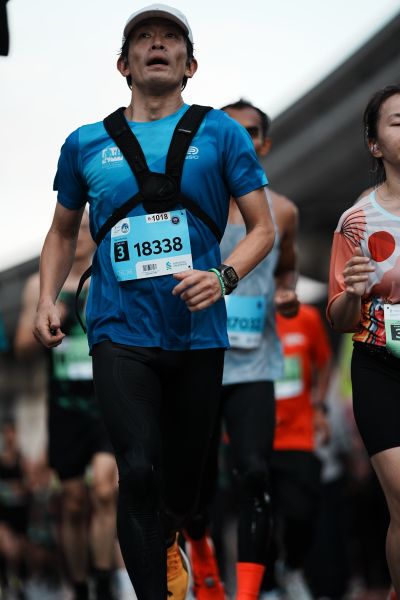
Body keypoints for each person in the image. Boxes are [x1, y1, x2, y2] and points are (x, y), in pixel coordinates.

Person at [32, 6, 275, 600]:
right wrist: (45, 300)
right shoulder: (85, 143)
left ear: (191, 66)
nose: (157, 44)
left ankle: (169, 534)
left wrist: (223, 277)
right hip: (118, 330)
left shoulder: (221, 132)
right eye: (144, 38)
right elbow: (61, 233)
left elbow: (263, 228)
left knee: (183, 490)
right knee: (136, 469)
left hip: (197, 333)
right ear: (124, 64)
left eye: (170, 38)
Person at [184, 99, 299, 600]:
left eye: (251, 131)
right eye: (230, 129)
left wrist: (287, 293)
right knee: (197, 485)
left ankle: (248, 594)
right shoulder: (189, 206)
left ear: (264, 144)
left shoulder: (284, 212)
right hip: (198, 362)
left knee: (253, 474)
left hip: (254, 365)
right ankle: (202, 554)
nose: (241, 138)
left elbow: (287, 267)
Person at [15, 212, 119, 600]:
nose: (82, 235)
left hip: (106, 400)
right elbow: (22, 349)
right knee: (73, 502)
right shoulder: (39, 286)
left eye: (89, 228)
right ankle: (79, 585)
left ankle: (105, 580)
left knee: (105, 489)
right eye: (75, 227)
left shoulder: (111, 278)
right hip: (64, 407)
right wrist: (44, 323)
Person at [327, 83, 400, 597]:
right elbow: (339, 317)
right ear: (375, 144)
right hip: (380, 367)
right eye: (398, 121)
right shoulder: (356, 221)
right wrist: (353, 292)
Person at [260, 303, 332, 600]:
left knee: (301, 513)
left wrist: (319, 407)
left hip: (298, 436)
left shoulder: (307, 317)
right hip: (255, 435)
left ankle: (292, 568)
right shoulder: (243, 312)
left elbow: (324, 362)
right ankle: (267, 587)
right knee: (260, 516)